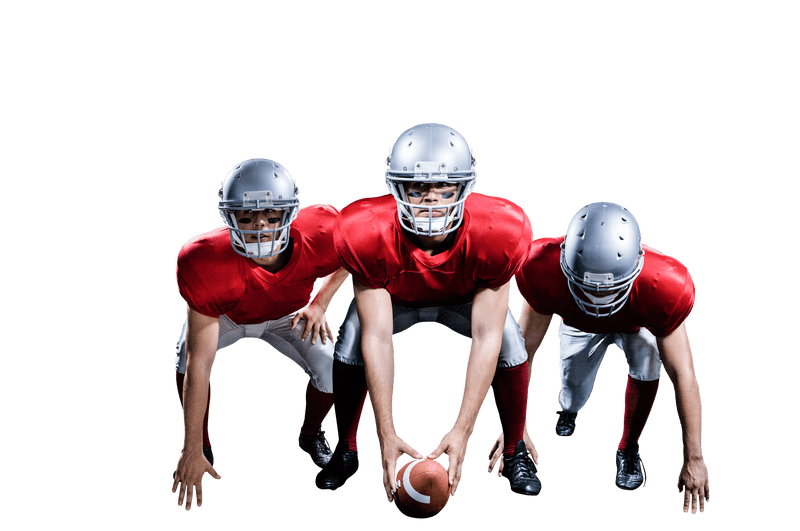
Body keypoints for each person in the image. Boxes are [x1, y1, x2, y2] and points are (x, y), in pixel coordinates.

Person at [314, 122, 543, 500]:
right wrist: (386, 433)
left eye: (444, 188)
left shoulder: (500, 230)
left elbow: (486, 336)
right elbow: (378, 336)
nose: (431, 200)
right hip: (395, 299)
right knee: (353, 335)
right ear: (396, 188)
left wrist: (462, 431)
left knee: (507, 336)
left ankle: (515, 449)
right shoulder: (365, 230)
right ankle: (347, 448)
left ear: (465, 188)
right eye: (417, 189)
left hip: (464, 300)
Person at [487, 201, 710, 514]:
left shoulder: (663, 285)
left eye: (609, 289)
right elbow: (522, 353)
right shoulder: (542, 267)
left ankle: (628, 447)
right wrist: (515, 429)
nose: (598, 299)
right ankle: (568, 410)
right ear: (564, 262)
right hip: (578, 325)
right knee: (573, 387)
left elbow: (683, 374)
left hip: (637, 321)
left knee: (649, 359)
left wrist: (694, 458)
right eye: (586, 287)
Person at [170, 158, 349, 511]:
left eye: (270, 214)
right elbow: (200, 364)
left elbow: (353, 251)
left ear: (290, 212)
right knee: (186, 362)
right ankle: (201, 443)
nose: (260, 226)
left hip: (289, 314)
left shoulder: (322, 230)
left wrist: (321, 302)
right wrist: (190, 449)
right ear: (229, 216)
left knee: (334, 371)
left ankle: (310, 434)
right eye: (248, 216)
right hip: (226, 315)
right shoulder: (203, 259)